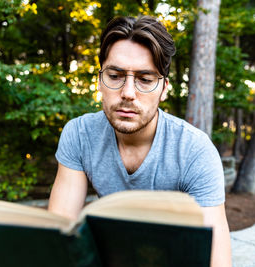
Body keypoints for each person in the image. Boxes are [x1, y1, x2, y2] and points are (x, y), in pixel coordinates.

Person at [48, 16, 231, 267]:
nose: (128, 93)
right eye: (115, 76)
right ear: (100, 80)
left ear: (164, 88)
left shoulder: (194, 151)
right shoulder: (79, 135)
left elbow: (216, 260)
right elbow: (58, 239)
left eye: (145, 79)